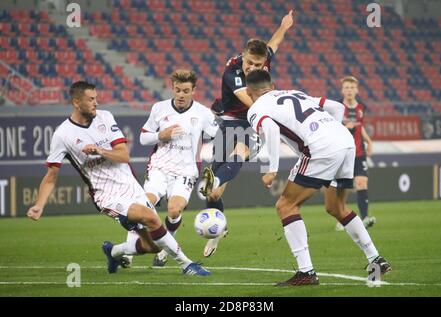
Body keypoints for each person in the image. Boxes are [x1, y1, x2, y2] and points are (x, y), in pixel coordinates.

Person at [26, 81, 210, 276]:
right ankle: (187, 265)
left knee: (153, 246)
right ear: (77, 102)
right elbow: (51, 176)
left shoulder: (105, 117)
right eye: (91, 99)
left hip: (131, 187)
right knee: (150, 218)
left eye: (96, 98)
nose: (96, 103)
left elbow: (123, 155)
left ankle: (113, 251)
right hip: (107, 194)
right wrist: (39, 204)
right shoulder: (63, 135)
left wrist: (99, 150)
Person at [245, 70, 391, 286]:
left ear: (249, 91)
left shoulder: (256, 108)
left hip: (321, 147)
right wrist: (329, 132)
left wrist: (272, 169)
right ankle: (376, 260)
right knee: (336, 207)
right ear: (273, 86)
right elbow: (337, 107)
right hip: (345, 141)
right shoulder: (295, 93)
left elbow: (271, 129)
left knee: (286, 205)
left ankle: (306, 272)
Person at [198, 10, 294, 257]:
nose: (252, 68)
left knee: (240, 151)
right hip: (231, 121)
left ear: (264, 62)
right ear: (243, 55)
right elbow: (248, 100)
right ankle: (218, 229)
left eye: (258, 65)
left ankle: (216, 179)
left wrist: (284, 26)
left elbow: (274, 43)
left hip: (253, 123)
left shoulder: (264, 60)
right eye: (249, 62)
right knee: (213, 193)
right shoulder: (232, 72)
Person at [117, 70, 218, 267]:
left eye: (186, 91)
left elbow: (217, 136)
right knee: (144, 206)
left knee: (174, 210)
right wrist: (160, 135)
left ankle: (165, 247)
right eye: (178, 90)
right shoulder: (159, 108)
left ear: (193, 91)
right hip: (159, 167)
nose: (181, 95)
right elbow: (143, 137)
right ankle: (128, 254)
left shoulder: (203, 113)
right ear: (172, 88)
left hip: (186, 171)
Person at [335, 76, 376, 231]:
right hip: (343, 153)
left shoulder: (361, 107)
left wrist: (369, 141)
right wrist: (344, 128)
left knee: (361, 182)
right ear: (342, 90)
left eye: (352, 88)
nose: (349, 90)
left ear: (357, 90)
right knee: (342, 188)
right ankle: (341, 218)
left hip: (359, 152)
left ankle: (365, 218)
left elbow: (360, 127)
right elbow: (331, 127)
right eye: (346, 87)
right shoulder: (337, 106)